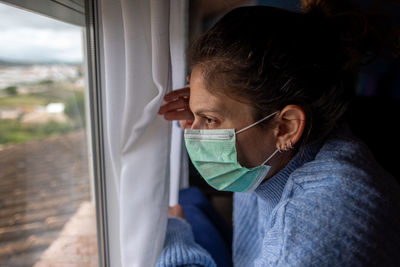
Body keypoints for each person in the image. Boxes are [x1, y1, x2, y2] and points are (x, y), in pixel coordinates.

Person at [157, 1, 400, 266]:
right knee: (188, 202)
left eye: (209, 119)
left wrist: (174, 244)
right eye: (196, 115)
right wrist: (204, 108)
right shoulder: (272, 153)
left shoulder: (323, 216)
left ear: (287, 126)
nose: (193, 132)